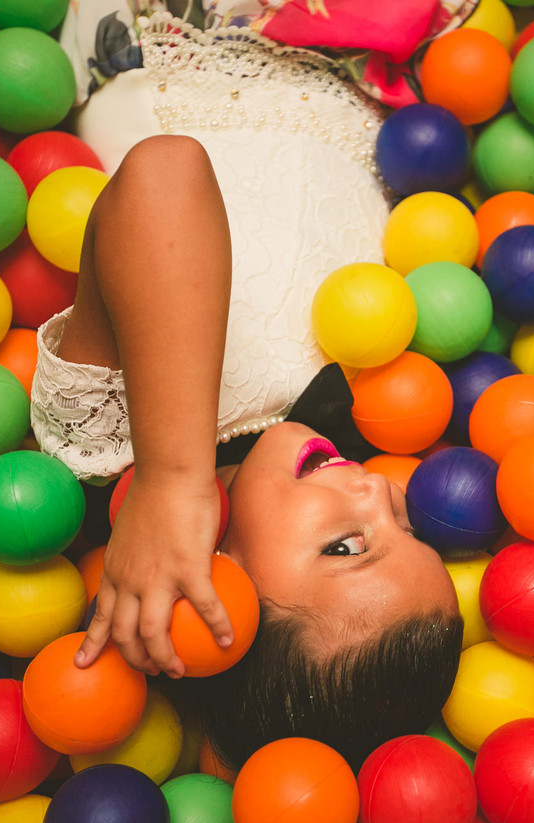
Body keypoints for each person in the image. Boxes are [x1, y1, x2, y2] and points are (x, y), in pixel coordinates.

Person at [33, 0, 474, 769]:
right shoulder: (365, 404)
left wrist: (174, 479)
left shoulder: (102, 441)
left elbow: (166, 172)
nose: (381, 494)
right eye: (409, 528)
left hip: (184, 37)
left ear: (220, 600)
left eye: (346, 546)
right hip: (355, 55)